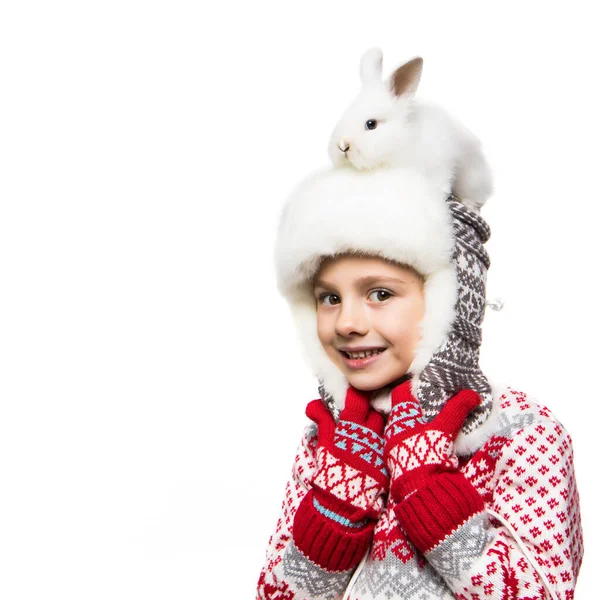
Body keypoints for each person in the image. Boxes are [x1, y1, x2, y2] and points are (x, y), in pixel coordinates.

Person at [256, 165, 583, 600]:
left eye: (381, 294)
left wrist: (430, 494)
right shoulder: (332, 442)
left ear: (446, 300)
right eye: (329, 298)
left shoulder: (521, 429)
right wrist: (334, 511)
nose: (347, 323)